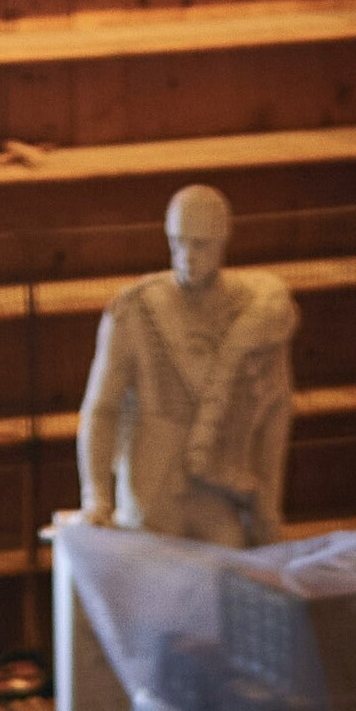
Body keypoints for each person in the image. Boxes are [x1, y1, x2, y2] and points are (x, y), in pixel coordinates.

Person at [73, 186, 300, 549]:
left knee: (226, 583)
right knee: (156, 592)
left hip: (219, 486)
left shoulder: (257, 315)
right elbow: (101, 409)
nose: (187, 257)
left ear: (223, 240)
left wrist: (268, 506)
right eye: (178, 243)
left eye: (200, 245)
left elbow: (275, 413)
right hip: (152, 488)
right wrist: (96, 496)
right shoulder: (135, 312)